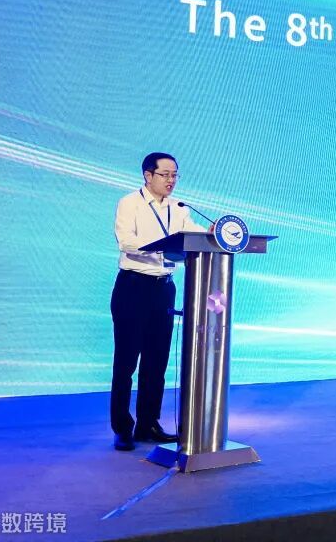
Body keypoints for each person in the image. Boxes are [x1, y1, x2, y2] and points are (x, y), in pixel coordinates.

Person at [110, 152, 205, 451]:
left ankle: (148, 423)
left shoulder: (178, 208)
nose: (171, 180)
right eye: (165, 174)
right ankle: (122, 428)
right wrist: (162, 248)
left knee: (156, 361)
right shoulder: (130, 203)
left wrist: (215, 233)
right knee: (126, 362)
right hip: (133, 286)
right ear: (148, 175)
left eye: (175, 175)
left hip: (164, 289)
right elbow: (126, 241)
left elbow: (193, 232)